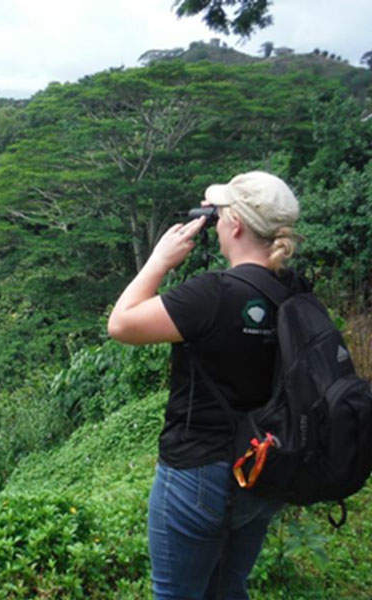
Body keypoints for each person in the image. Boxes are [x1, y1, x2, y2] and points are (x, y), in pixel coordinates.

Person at [107, 171, 307, 599]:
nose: (214, 223)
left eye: (218, 214)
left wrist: (159, 261)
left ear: (234, 225)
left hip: (197, 472)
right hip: (262, 466)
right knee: (228, 587)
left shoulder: (211, 294)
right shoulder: (294, 290)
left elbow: (121, 323)